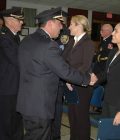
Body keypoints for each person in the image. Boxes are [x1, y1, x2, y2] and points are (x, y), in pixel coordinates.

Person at [16, 7, 96, 140]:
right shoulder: (48, 45)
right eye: (60, 24)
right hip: (40, 105)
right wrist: (87, 79)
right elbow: (64, 70)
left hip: (26, 101)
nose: (62, 29)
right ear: (50, 23)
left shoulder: (27, 40)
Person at [62, 15, 95, 140]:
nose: (69, 27)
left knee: (81, 119)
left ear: (79, 26)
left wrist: (70, 78)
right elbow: (63, 60)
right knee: (72, 116)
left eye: (71, 24)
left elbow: (85, 66)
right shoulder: (71, 41)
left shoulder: (88, 43)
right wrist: (66, 78)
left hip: (81, 86)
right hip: (70, 83)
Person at [0, 8, 24, 140]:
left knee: (15, 121)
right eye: (19, 20)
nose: (22, 22)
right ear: (10, 21)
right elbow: (17, 60)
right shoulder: (3, 38)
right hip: (6, 90)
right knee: (5, 125)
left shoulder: (14, 37)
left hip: (15, 88)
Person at [52, 10, 70, 140]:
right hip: (48, 77)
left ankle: (55, 135)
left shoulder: (66, 33)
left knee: (57, 109)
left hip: (59, 78)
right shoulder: (49, 33)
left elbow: (66, 57)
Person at [91, 23, 114, 113]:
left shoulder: (110, 42)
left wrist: (95, 57)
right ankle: (96, 106)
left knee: (97, 87)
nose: (100, 32)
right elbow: (99, 54)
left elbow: (106, 57)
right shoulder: (104, 41)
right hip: (98, 68)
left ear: (108, 32)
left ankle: (97, 106)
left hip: (103, 70)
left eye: (102, 30)